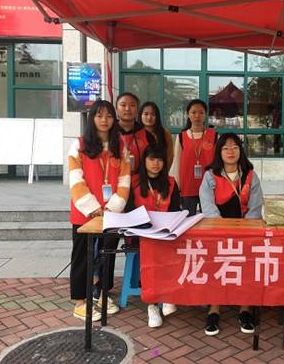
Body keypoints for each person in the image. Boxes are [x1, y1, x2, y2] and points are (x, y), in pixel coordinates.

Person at [68, 100, 130, 321]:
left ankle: (103, 294)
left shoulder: (120, 146)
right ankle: (80, 302)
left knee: (107, 255)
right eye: (99, 115)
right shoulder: (79, 145)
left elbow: (124, 180)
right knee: (82, 256)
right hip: (85, 213)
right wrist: (93, 208)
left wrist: (112, 207)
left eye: (109, 116)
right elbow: (76, 179)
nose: (104, 120)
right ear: (92, 118)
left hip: (111, 213)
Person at [199, 133, 263, 336]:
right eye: (225, 147)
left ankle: (245, 308)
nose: (230, 151)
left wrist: (244, 233)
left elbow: (255, 207)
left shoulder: (250, 175)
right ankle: (214, 309)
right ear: (219, 151)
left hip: (246, 232)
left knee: (247, 266)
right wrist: (223, 231)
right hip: (217, 232)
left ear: (240, 150)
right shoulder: (210, 176)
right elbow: (207, 206)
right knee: (216, 267)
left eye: (235, 147)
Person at [133, 142, 181, 327]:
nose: (156, 163)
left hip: (164, 233)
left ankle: (167, 295)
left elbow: (176, 211)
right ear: (144, 160)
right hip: (141, 233)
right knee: (150, 250)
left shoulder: (171, 183)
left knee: (173, 246)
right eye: (152, 159)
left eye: (160, 160)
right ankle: (152, 305)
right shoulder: (135, 182)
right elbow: (129, 211)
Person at [170, 99, 217, 216]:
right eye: (193, 112)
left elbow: (218, 162)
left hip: (209, 186)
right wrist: (177, 186)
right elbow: (177, 163)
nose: (197, 116)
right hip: (187, 186)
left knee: (209, 219)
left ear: (205, 115)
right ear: (188, 114)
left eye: (201, 112)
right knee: (188, 220)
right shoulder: (181, 137)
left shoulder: (214, 135)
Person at [115, 92, 151, 177]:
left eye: (132, 105)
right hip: (114, 180)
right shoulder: (108, 133)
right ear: (116, 109)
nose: (127, 109)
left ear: (138, 110)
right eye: (123, 105)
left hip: (140, 181)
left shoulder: (147, 135)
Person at [138, 101, 173, 168]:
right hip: (139, 172)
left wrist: (161, 171)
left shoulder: (165, 134)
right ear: (140, 115)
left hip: (160, 171)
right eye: (146, 114)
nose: (149, 117)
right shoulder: (136, 133)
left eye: (153, 114)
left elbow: (169, 157)